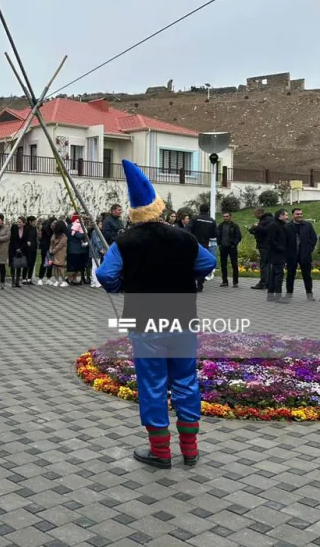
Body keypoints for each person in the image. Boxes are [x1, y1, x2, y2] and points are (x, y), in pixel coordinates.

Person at [96, 160, 216, 469]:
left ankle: (161, 452)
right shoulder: (185, 238)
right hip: (182, 319)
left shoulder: (124, 242)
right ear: (159, 209)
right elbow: (207, 263)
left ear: (133, 213)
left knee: (152, 383)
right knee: (186, 380)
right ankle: (189, 449)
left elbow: (106, 276)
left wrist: (125, 283)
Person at [286, 208, 318, 301]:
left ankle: (309, 294)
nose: (299, 215)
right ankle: (289, 294)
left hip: (305, 254)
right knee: (290, 275)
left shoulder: (308, 225)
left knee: (307, 275)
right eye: (297, 214)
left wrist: (309, 249)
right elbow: (284, 240)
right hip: (292, 255)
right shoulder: (288, 226)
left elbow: (314, 238)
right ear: (293, 215)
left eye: (301, 214)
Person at [264, 209, 292, 303]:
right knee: (279, 275)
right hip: (276, 254)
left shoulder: (282, 225)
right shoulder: (274, 225)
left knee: (273, 275)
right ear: (280, 216)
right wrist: (281, 248)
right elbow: (271, 240)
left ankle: (270, 295)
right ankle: (278, 296)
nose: (287, 217)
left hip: (279, 253)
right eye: (286, 215)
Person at [189, 204, 218, 292]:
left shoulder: (195, 219)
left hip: (194, 244)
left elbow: (188, 228)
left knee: (192, 263)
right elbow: (215, 234)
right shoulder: (212, 221)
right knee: (202, 263)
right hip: (204, 245)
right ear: (208, 210)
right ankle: (200, 284)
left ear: (199, 209)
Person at [248, 209, 274, 289]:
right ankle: (268, 283)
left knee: (264, 265)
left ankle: (263, 283)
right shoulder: (266, 219)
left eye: (255, 214)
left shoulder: (266, 220)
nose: (254, 216)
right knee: (267, 264)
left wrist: (257, 226)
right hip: (267, 245)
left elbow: (266, 231)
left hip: (264, 245)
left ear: (260, 213)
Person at [217, 212, 241, 287]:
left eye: (227, 216)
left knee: (234, 264)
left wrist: (234, 244)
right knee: (223, 264)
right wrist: (219, 243)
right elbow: (218, 235)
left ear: (230, 217)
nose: (225, 218)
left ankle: (235, 282)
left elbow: (238, 236)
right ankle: (224, 281)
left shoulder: (234, 226)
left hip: (232, 247)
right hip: (223, 247)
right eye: (224, 216)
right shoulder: (220, 226)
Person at [48, 220, 69, 286]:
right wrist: (50, 249)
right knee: (55, 267)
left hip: (61, 253)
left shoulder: (64, 236)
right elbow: (51, 242)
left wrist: (52, 251)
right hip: (54, 253)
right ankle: (57, 280)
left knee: (60, 267)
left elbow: (60, 245)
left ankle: (64, 281)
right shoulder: (54, 235)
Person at [22, 216, 39, 285]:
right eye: (34, 221)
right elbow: (23, 237)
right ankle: (23, 278)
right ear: (30, 221)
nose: (35, 223)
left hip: (33, 249)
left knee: (32, 264)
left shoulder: (34, 228)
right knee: (26, 264)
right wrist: (27, 242)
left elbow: (35, 238)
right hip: (26, 249)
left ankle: (29, 279)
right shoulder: (25, 228)